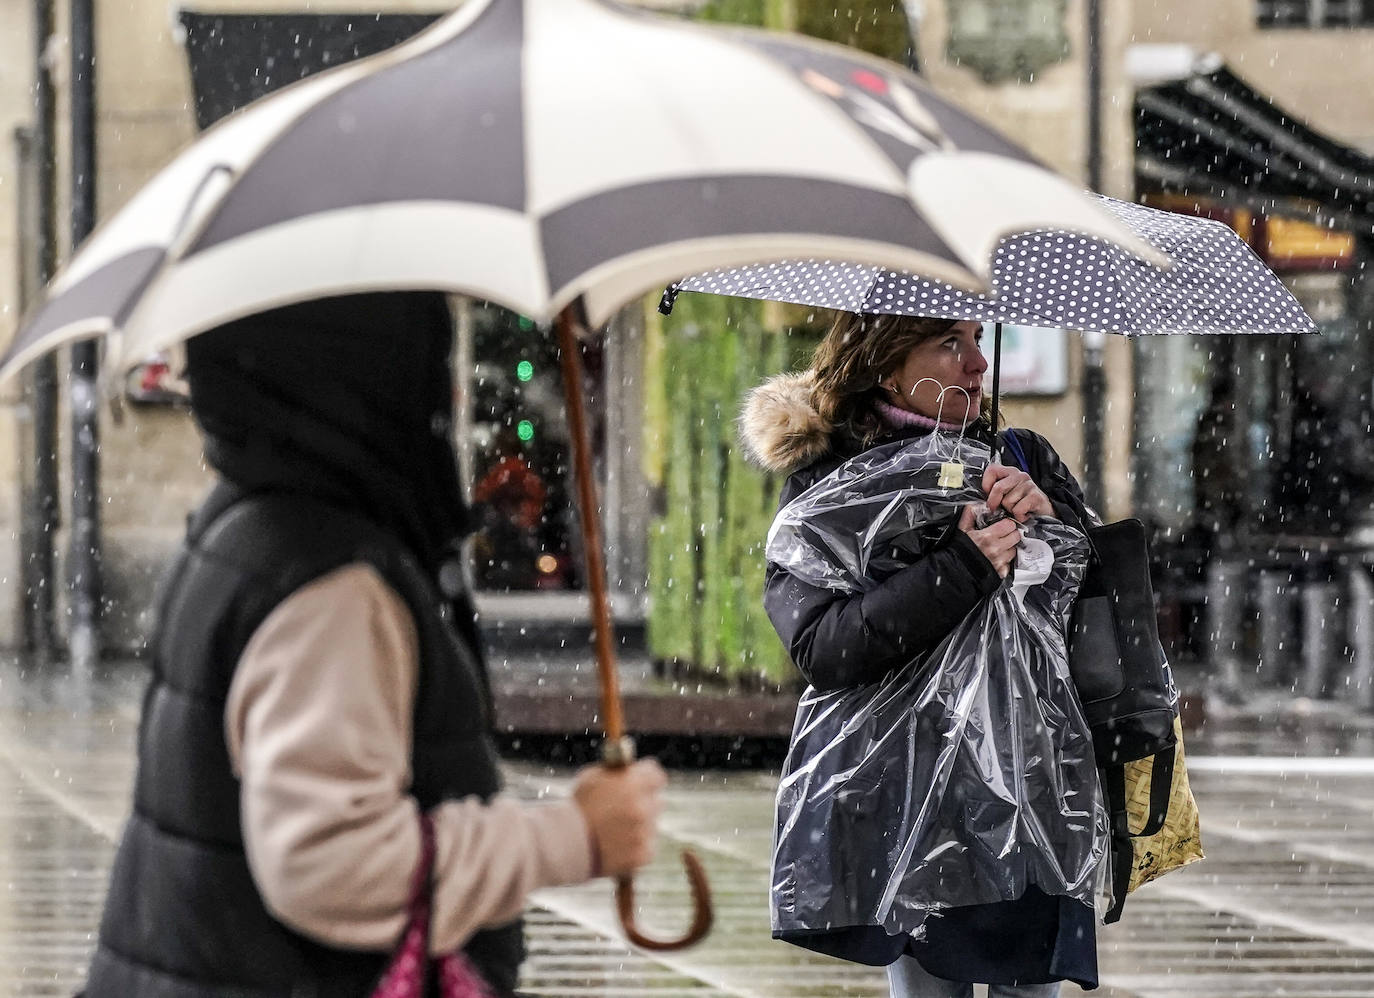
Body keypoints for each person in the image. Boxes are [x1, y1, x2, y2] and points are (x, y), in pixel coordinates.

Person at [79, 292, 665, 998]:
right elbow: (333, 865)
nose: (447, 392)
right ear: (364, 375)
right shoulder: (332, 585)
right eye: (428, 359)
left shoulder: (250, 522)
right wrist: (575, 836)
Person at [742, 312, 1098, 998]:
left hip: (1034, 792)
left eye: (977, 341)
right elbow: (823, 648)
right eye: (949, 344)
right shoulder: (831, 484)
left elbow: (1088, 608)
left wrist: (1050, 520)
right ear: (884, 362)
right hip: (912, 802)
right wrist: (960, 567)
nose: (978, 364)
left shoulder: (1020, 456)